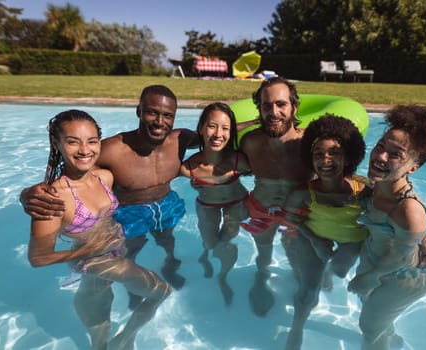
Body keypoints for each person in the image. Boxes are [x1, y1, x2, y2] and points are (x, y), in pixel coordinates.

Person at [21, 85, 199, 308]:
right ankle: (133, 288)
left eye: (167, 115)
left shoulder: (181, 139)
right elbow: (75, 171)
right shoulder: (110, 149)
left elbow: (218, 137)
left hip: (166, 203)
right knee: (129, 250)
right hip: (130, 211)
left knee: (167, 239)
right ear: (139, 111)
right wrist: (27, 193)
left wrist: (254, 124)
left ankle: (170, 263)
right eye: (152, 112)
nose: (159, 121)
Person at [28, 109, 171, 350]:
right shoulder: (53, 198)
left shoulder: (104, 177)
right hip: (93, 261)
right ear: (57, 143)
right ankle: (125, 339)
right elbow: (38, 258)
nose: (85, 150)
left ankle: (120, 340)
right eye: (73, 142)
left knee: (103, 303)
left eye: (92, 141)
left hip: (110, 259)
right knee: (161, 291)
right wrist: (87, 251)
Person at [348, 105, 426, 350]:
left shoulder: (408, 210)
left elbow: (400, 255)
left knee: (369, 327)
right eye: (381, 146)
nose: (381, 156)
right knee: (377, 320)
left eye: (395, 154)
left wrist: (370, 277)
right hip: (377, 263)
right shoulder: (373, 187)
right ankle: (392, 342)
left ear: (413, 167)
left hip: (401, 279)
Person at [283, 114, 371, 350]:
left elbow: (396, 210)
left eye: (335, 152)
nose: (326, 159)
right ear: (310, 159)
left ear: (349, 156)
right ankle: (297, 328)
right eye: (318, 153)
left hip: (351, 241)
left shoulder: (364, 191)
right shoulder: (303, 192)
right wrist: (315, 240)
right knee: (308, 290)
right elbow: (291, 217)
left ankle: (331, 275)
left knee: (342, 271)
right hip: (314, 236)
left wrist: (422, 238)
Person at [239, 76, 313, 316]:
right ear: (259, 110)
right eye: (266, 106)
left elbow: (349, 178)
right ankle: (261, 278)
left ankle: (305, 280)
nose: (273, 112)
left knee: (297, 255)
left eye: (281, 104)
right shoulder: (250, 142)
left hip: (298, 212)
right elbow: (215, 146)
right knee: (263, 250)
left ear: (294, 107)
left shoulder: (310, 145)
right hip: (261, 207)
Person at [179, 102, 251, 306]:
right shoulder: (189, 167)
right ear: (201, 129)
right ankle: (205, 252)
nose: (218, 133)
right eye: (212, 126)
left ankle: (223, 276)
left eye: (225, 128)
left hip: (235, 203)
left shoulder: (240, 161)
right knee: (211, 243)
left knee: (226, 241)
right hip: (207, 204)